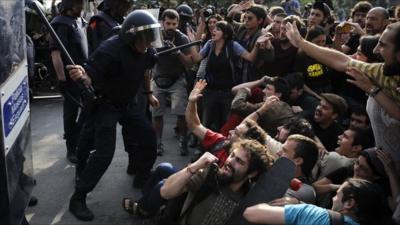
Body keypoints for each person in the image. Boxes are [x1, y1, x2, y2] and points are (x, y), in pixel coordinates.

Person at [66, 10, 161, 221]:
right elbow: (89, 75)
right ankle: (78, 198)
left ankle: (142, 175)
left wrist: (149, 93)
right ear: (133, 36)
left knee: (148, 137)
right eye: (148, 37)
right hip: (105, 105)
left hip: (128, 103)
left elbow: (146, 70)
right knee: (102, 153)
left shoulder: (146, 50)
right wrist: (81, 74)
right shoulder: (110, 50)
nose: (151, 41)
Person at [285, 20, 400, 173]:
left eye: (383, 45)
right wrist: (301, 43)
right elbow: (344, 61)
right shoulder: (384, 72)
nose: (377, 50)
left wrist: (372, 89)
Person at [160, 139, 276, 225]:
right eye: (232, 155)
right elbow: (166, 192)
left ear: (252, 173)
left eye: (239, 161)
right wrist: (194, 167)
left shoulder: (248, 200)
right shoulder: (208, 176)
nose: (230, 161)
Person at [243, 178, 393, 225]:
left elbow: (252, 213)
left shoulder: (316, 215)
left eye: (337, 195)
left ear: (349, 203)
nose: (333, 198)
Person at [49, 0, 87, 163]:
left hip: (84, 76)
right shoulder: (60, 24)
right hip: (70, 79)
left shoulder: (77, 21)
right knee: (71, 114)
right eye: (79, 6)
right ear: (70, 7)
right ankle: (71, 148)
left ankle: (80, 142)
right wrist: (62, 79)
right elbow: (56, 54)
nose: (81, 9)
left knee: (87, 111)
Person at [151, 9, 193, 156]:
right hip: (158, 80)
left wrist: (178, 52)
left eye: (174, 24)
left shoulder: (182, 38)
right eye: (168, 23)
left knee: (181, 113)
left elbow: (189, 63)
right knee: (157, 114)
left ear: (178, 23)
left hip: (176, 80)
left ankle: (183, 141)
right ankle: (157, 142)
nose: (170, 27)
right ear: (162, 22)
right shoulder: (154, 37)